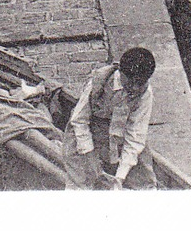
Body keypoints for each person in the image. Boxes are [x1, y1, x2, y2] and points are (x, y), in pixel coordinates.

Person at [62, 47, 159, 190]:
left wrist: (120, 178)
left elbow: (135, 135)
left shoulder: (145, 93)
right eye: (130, 82)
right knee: (82, 183)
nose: (134, 88)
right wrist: (90, 157)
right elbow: (79, 121)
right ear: (120, 72)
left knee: (143, 183)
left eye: (140, 83)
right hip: (91, 133)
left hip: (120, 134)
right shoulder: (98, 82)